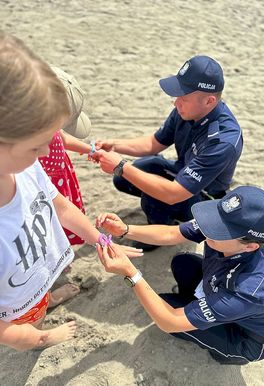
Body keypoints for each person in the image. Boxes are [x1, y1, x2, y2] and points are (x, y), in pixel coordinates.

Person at [0, 31, 142, 351]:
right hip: (14, 307)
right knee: (27, 320)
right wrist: (40, 337)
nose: (47, 152)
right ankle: (39, 318)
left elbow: (61, 207)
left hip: (35, 269)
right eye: (38, 144)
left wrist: (100, 240)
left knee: (40, 289)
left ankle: (46, 298)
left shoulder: (26, 168)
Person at [96, 185, 264, 365]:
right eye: (215, 220)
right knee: (183, 263)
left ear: (250, 246)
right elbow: (172, 234)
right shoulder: (227, 229)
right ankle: (202, 310)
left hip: (248, 337)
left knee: (167, 309)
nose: (208, 228)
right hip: (235, 299)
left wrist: (130, 273)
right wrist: (125, 230)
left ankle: (227, 353)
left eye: (219, 231)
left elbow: (169, 322)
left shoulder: (251, 289)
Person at [96, 55, 243, 249]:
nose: (176, 102)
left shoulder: (223, 140)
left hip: (203, 197)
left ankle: (160, 230)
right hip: (181, 171)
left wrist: (121, 166)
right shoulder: (189, 109)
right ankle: (163, 214)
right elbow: (154, 143)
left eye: (183, 97)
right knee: (128, 177)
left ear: (209, 101)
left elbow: (173, 193)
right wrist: (115, 145)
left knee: (153, 192)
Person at [39, 67, 96, 246]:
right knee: (48, 223)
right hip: (44, 186)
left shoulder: (46, 126)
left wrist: (91, 150)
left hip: (61, 179)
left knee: (65, 219)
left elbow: (62, 139)